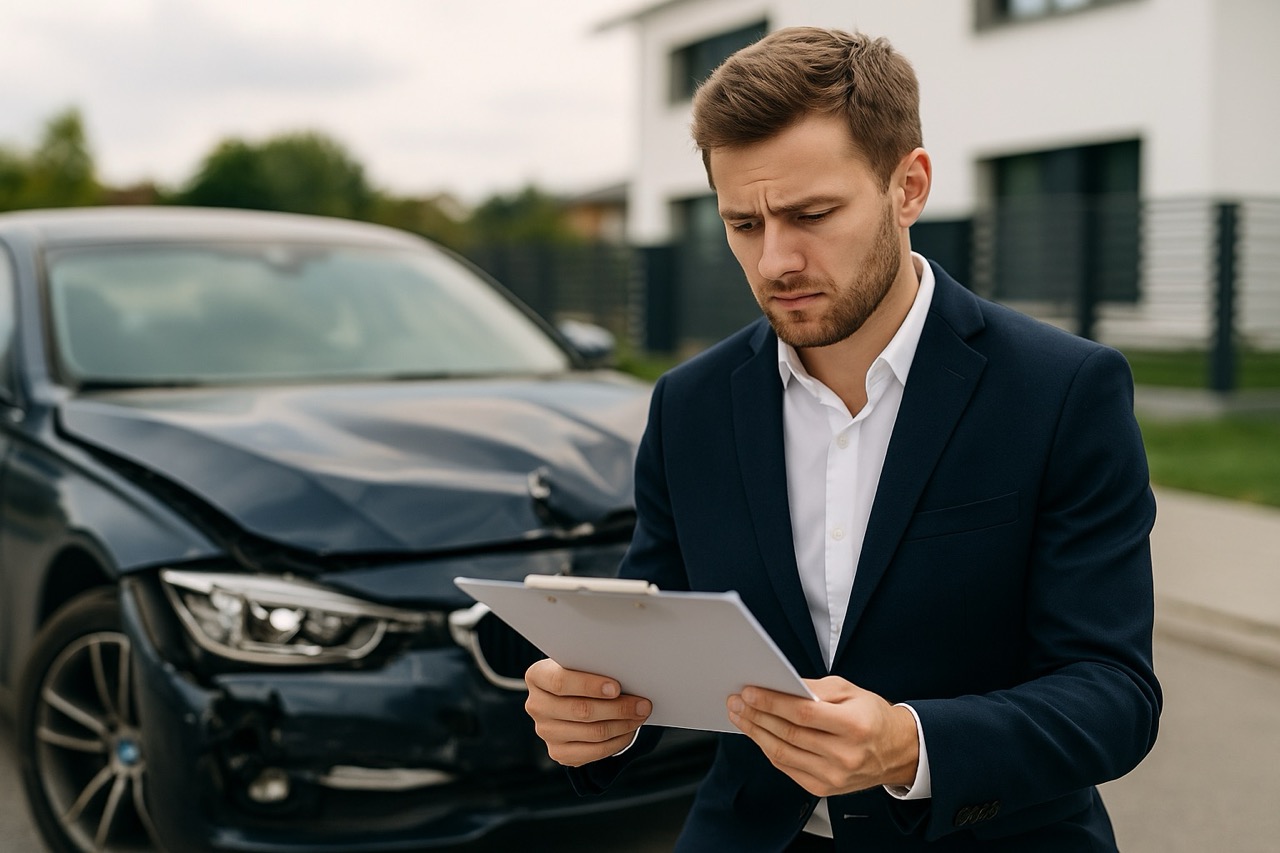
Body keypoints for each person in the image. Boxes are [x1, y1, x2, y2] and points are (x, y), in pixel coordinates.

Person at [524, 26, 1160, 851]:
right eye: (743, 223)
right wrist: (595, 716)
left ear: (910, 186)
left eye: (811, 213)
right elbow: (651, 645)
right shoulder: (690, 404)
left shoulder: (1062, 389)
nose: (776, 259)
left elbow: (1114, 693)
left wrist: (910, 742)